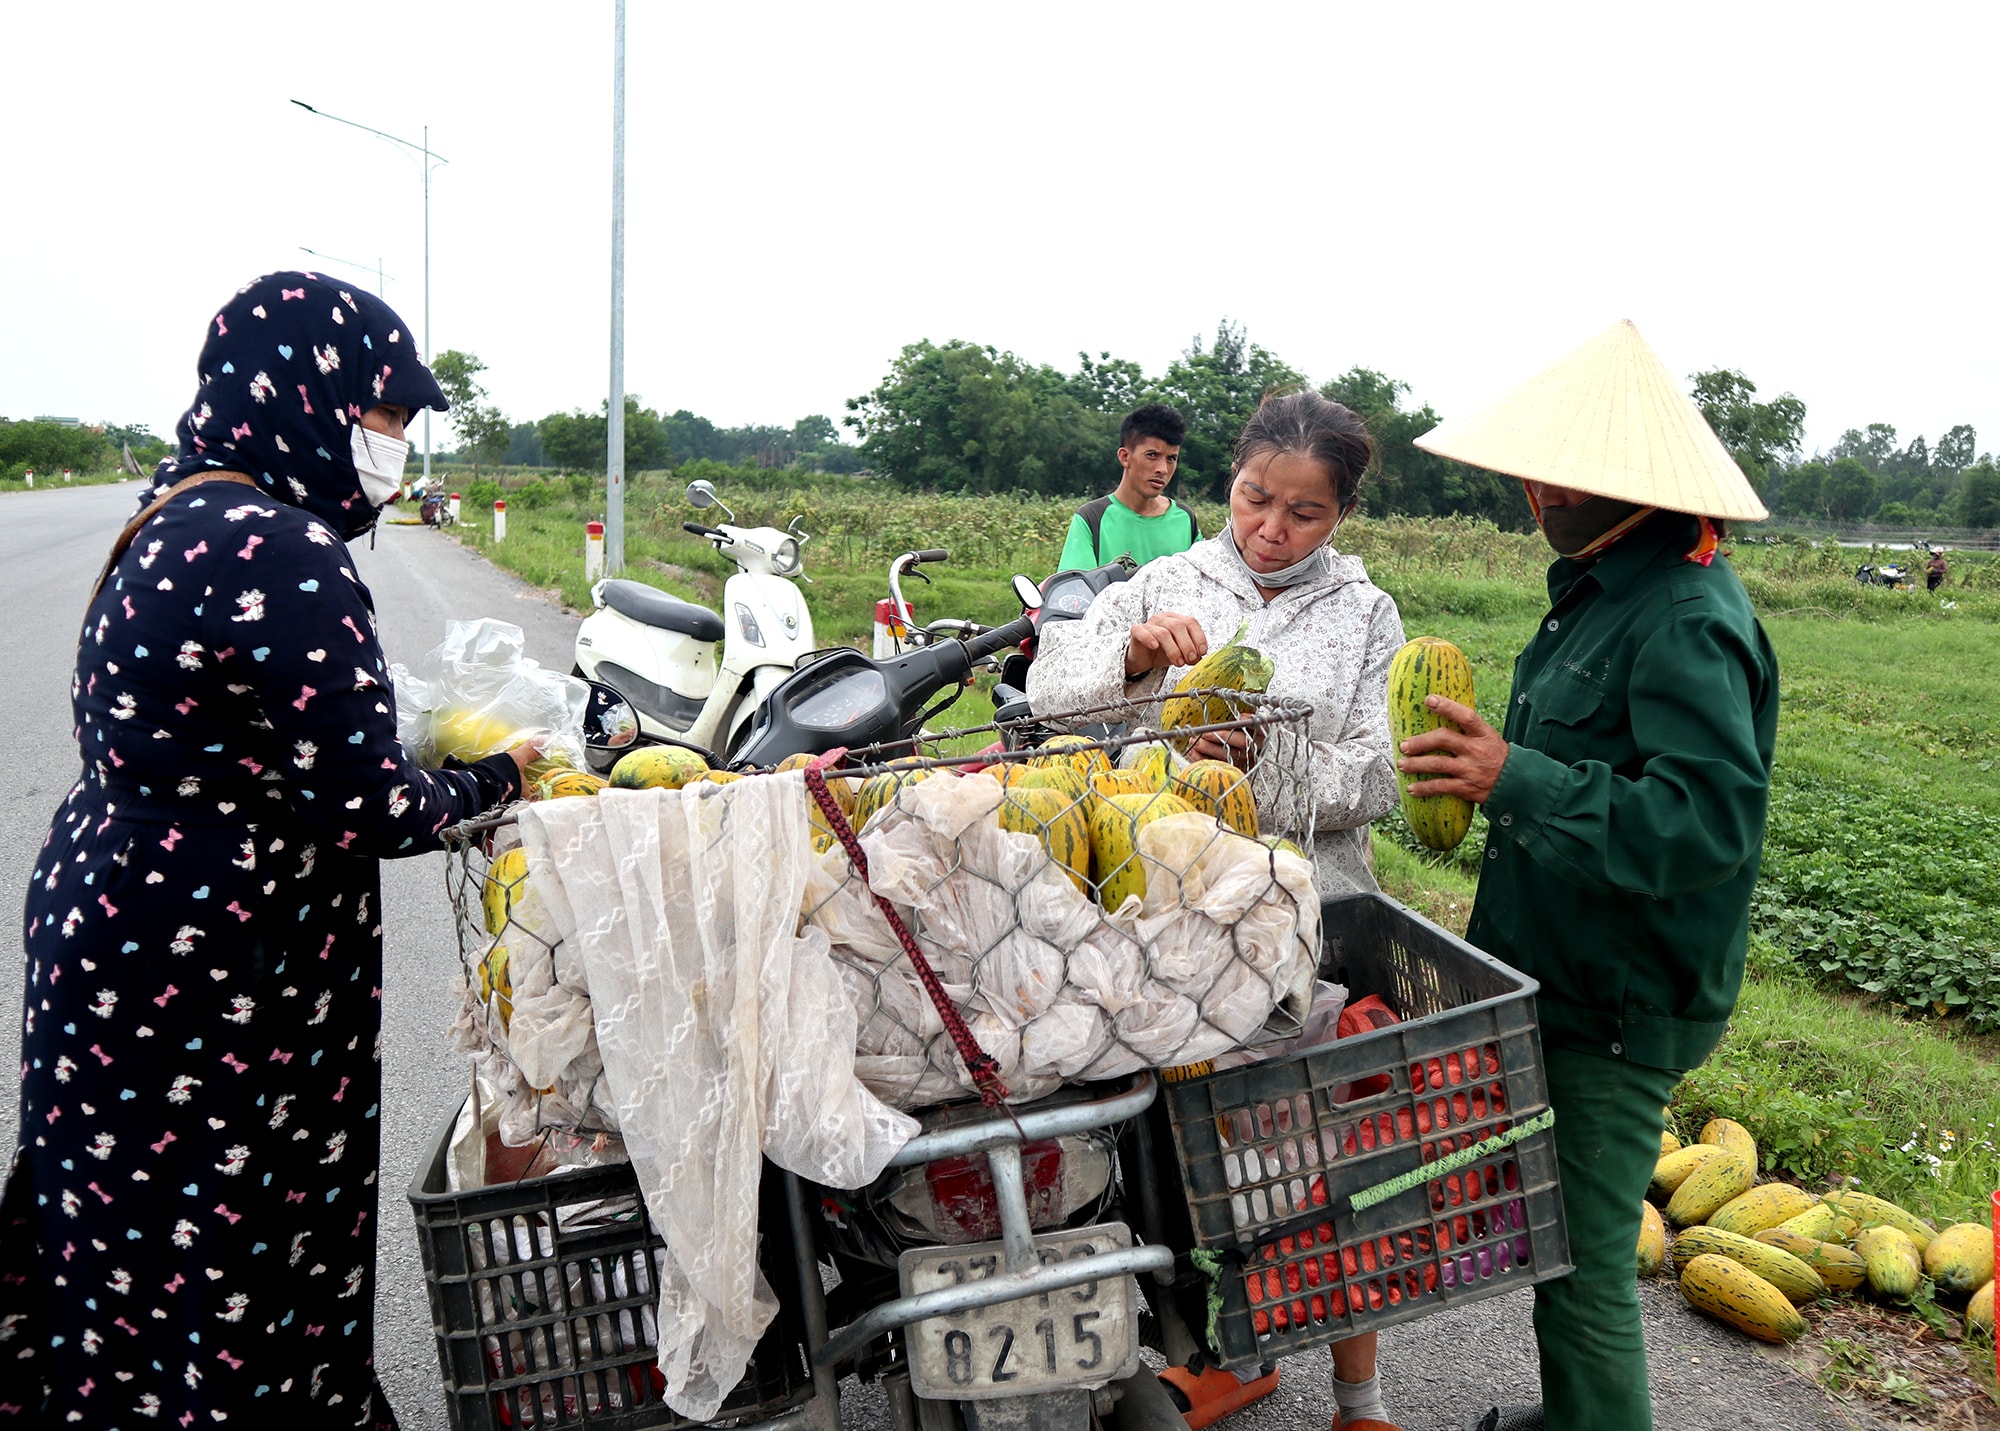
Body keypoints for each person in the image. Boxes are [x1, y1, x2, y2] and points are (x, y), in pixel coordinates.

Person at [1, 271, 539, 1428]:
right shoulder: (276, 547)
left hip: (122, 926)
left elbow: (252, 733)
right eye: (387, 413)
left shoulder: (179, 510)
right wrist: (501, 777)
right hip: (214, 963)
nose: (393, 444)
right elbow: (373, 806)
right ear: (314, 389)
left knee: (135, 1237)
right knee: (240, 1239)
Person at [1398, 321, 1779, 1431]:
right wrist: (1485, 775)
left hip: (1619, 996)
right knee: (1552, 1238)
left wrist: (1514, 777)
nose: (1528, 488)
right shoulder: (1604, 589)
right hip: (1562, 966)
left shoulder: (1682, 617)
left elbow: (1702, 824)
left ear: (1616, 484)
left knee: (1585, 1273)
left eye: (1547, 469)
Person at [1028, 389, 1407, 1431]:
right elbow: (1053, 695)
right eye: (1252, 500)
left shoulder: (1364, 614)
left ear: (1341, 517)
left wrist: (1266, 760)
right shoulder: (1164, 577)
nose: (1269, 530)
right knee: (1188, 1146)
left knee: (1323, 1145)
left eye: (1302, 514)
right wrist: (1138, 659)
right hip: (1165, 911)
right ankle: (1224, 1351)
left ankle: (1358, 1397)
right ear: (1226, 486)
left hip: (1306, 909)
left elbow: (1376, 776)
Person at [1055, 402, 1202, 571]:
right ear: (1125, 457)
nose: (1162, 469)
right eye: (1152, 455)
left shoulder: (1185, 520)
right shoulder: (1092, 519)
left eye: (1171, 458)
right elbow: (1075, 592)